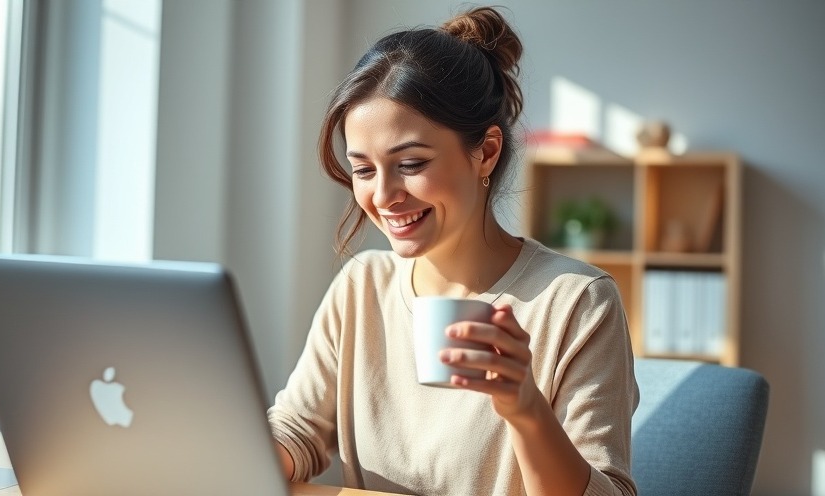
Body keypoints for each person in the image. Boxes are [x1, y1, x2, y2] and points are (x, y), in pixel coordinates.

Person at [267, 6, 638, 496]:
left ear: (486, 152)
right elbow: (296, 431)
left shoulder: (576, 302)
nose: (383, 196)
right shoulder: (362, 285)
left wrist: (525, 409)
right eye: (364, 170)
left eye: (411, 163)